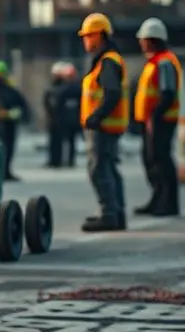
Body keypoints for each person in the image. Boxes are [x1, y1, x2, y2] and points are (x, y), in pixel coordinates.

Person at [78, 13, 128, 232]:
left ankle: (109, 215)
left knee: (98, 169)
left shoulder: (108, 62)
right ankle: (116, 214)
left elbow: (112, 92)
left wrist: (96, 116)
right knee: (108, 168)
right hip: (107, 126)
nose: (86, 40)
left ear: (100, 36)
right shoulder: (106, 61)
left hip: (103, 127)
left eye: (89, 36)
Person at [132, 17, 182, 216]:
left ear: (151, 40)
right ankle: (157, 199)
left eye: (143, 39)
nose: (140, 43)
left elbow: (168, 94)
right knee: (151, 161)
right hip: (152, 121)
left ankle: (168, 204)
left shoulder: (164, 63)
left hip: (161, 120)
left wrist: (154, 117)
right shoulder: (154, 62)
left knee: (161, 161)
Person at [0, 60, 28, 181]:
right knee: (1, 148)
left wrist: (14, 113)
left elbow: (20, 102)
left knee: (9, 147)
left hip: (9, 123)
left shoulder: (10, 88)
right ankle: (1, 172)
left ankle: (6, 172)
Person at [43, 63, 70, 167]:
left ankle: (58, 160)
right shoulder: (51, 88)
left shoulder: (64, 88)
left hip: (61, 118)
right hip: (52, 119)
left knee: (59, 141)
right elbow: (46, 101)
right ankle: (52, 160)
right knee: (52, 140)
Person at [59, 62, 82, 167]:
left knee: (68, 141)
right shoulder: (77, 89)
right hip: (71, 119)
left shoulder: (63, 89)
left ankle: (67, 160)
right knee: (71, 141)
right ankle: (69, 161)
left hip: (68, 119)